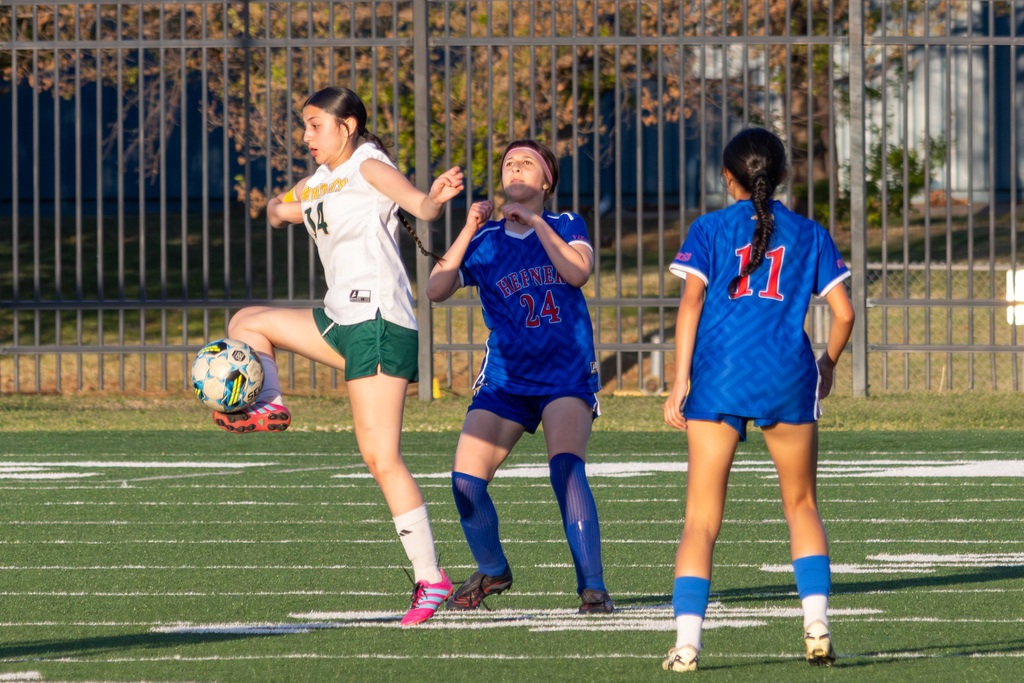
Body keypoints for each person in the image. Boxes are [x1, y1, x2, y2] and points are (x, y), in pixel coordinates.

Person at [214, 86, 465, 626]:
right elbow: (281, 210)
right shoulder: (322, 178)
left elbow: (418, 204)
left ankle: (431, 579)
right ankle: (271, 404)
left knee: (381, 458)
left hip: (378, 323)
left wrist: (437, 195)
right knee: (247, 323)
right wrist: (281, 208)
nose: (305, 136)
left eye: (314, 126)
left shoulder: (369, 166)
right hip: (340, 320)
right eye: (304, 126)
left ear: (347, 127)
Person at [660, 128, 855, 671]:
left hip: (719, 377)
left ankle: (687, 644)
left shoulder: (709, 229)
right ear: (784, 175)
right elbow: (844, 314)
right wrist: (828, 365)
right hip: (786, 376)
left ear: (729, 179)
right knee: (802, 506)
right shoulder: (811, 233)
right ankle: (816, 624)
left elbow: (690, 304)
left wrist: (680, 381)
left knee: (700, 519)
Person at [426, 139, 613, 614]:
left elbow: (578, 273)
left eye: (527, 161)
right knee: (466, 481)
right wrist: (468, 227)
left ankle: (592, 588)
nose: (516, 166)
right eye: (509, 162)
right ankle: (493, 571)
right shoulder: (485, 240)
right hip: (507, 381)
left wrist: (534, 224)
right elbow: (436, 289)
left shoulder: (565, 224)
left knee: (566, 471)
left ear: (547, 179)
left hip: (564, 376)